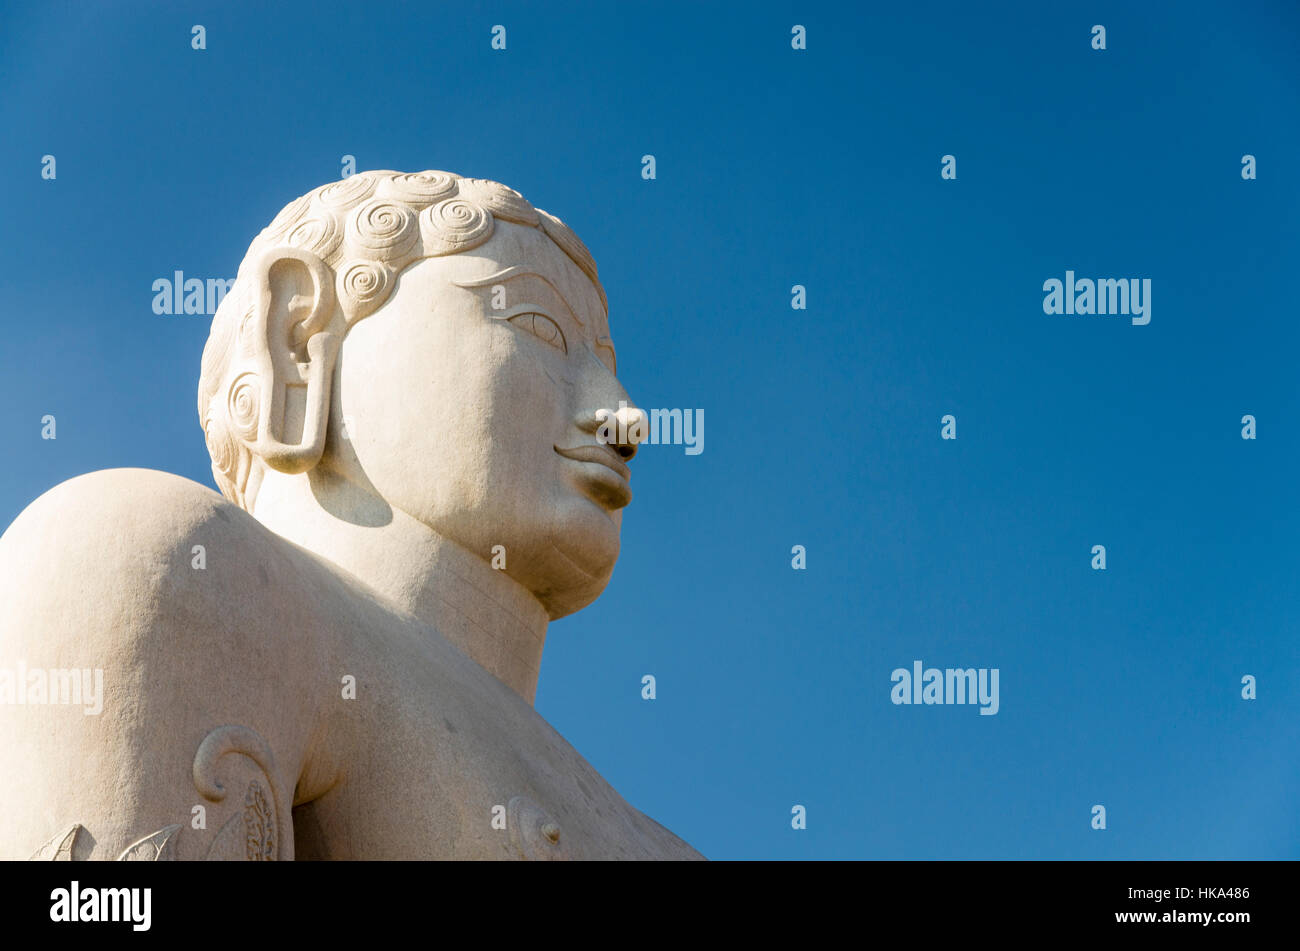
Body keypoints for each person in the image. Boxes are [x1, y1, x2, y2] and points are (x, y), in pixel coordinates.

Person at [0, 171, 702, 860]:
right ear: (299, 339)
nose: (625, 419)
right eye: (538, 325)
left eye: (607, 365)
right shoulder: (169, 560)